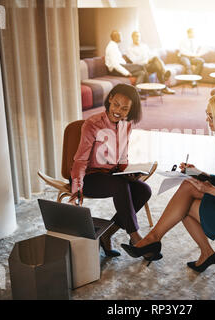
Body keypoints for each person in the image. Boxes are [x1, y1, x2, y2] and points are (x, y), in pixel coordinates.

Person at [121, 92, 215, 272]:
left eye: (212, 116)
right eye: (207, 114)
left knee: (185, 205)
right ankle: (161, 241)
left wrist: (209, 189)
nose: (207, 120)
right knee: (188, 186)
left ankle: (154, 240)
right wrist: (201, 174)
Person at [69, 84, 155, 259]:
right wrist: (76, 188)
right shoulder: (92, 124)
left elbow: (123, 157)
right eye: (116, 104)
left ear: (130, 110)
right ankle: (135, 238)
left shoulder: (127, 125)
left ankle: (107, 233)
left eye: (125, 109)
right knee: (119, 185)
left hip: (111, 177)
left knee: (144, 190)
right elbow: (80, 160)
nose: (118, 111)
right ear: (110, 99)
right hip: (89, 177)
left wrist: (129, 172)